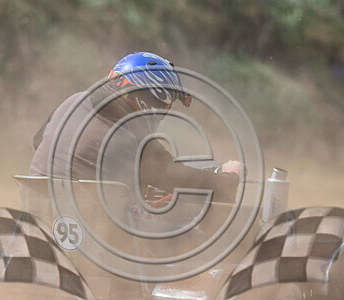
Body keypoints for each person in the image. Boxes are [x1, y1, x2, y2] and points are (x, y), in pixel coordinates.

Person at [29, 52, 243, 204]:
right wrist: (228, 178)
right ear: (149, 102)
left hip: (42, 222)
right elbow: (182, 181)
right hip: (97, 242)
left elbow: (38, 142)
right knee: (192, 238)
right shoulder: (131, 139)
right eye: (164, 108)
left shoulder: (73, 101)